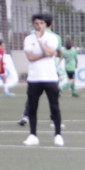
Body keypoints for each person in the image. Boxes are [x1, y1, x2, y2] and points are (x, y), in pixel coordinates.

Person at [22, 13, 63, 147]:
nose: (39, 26)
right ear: (33, 24)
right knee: (32, 107)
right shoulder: (28, 39)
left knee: (54, 107)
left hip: (50, 78)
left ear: (46, 24)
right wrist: (44, 53)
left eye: (41, 23)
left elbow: (50, 53)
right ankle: (33, 135)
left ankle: (58, 135)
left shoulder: (52, 38)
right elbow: (31, 57)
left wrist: (40, 42)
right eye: (36, 23)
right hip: (34, 78)